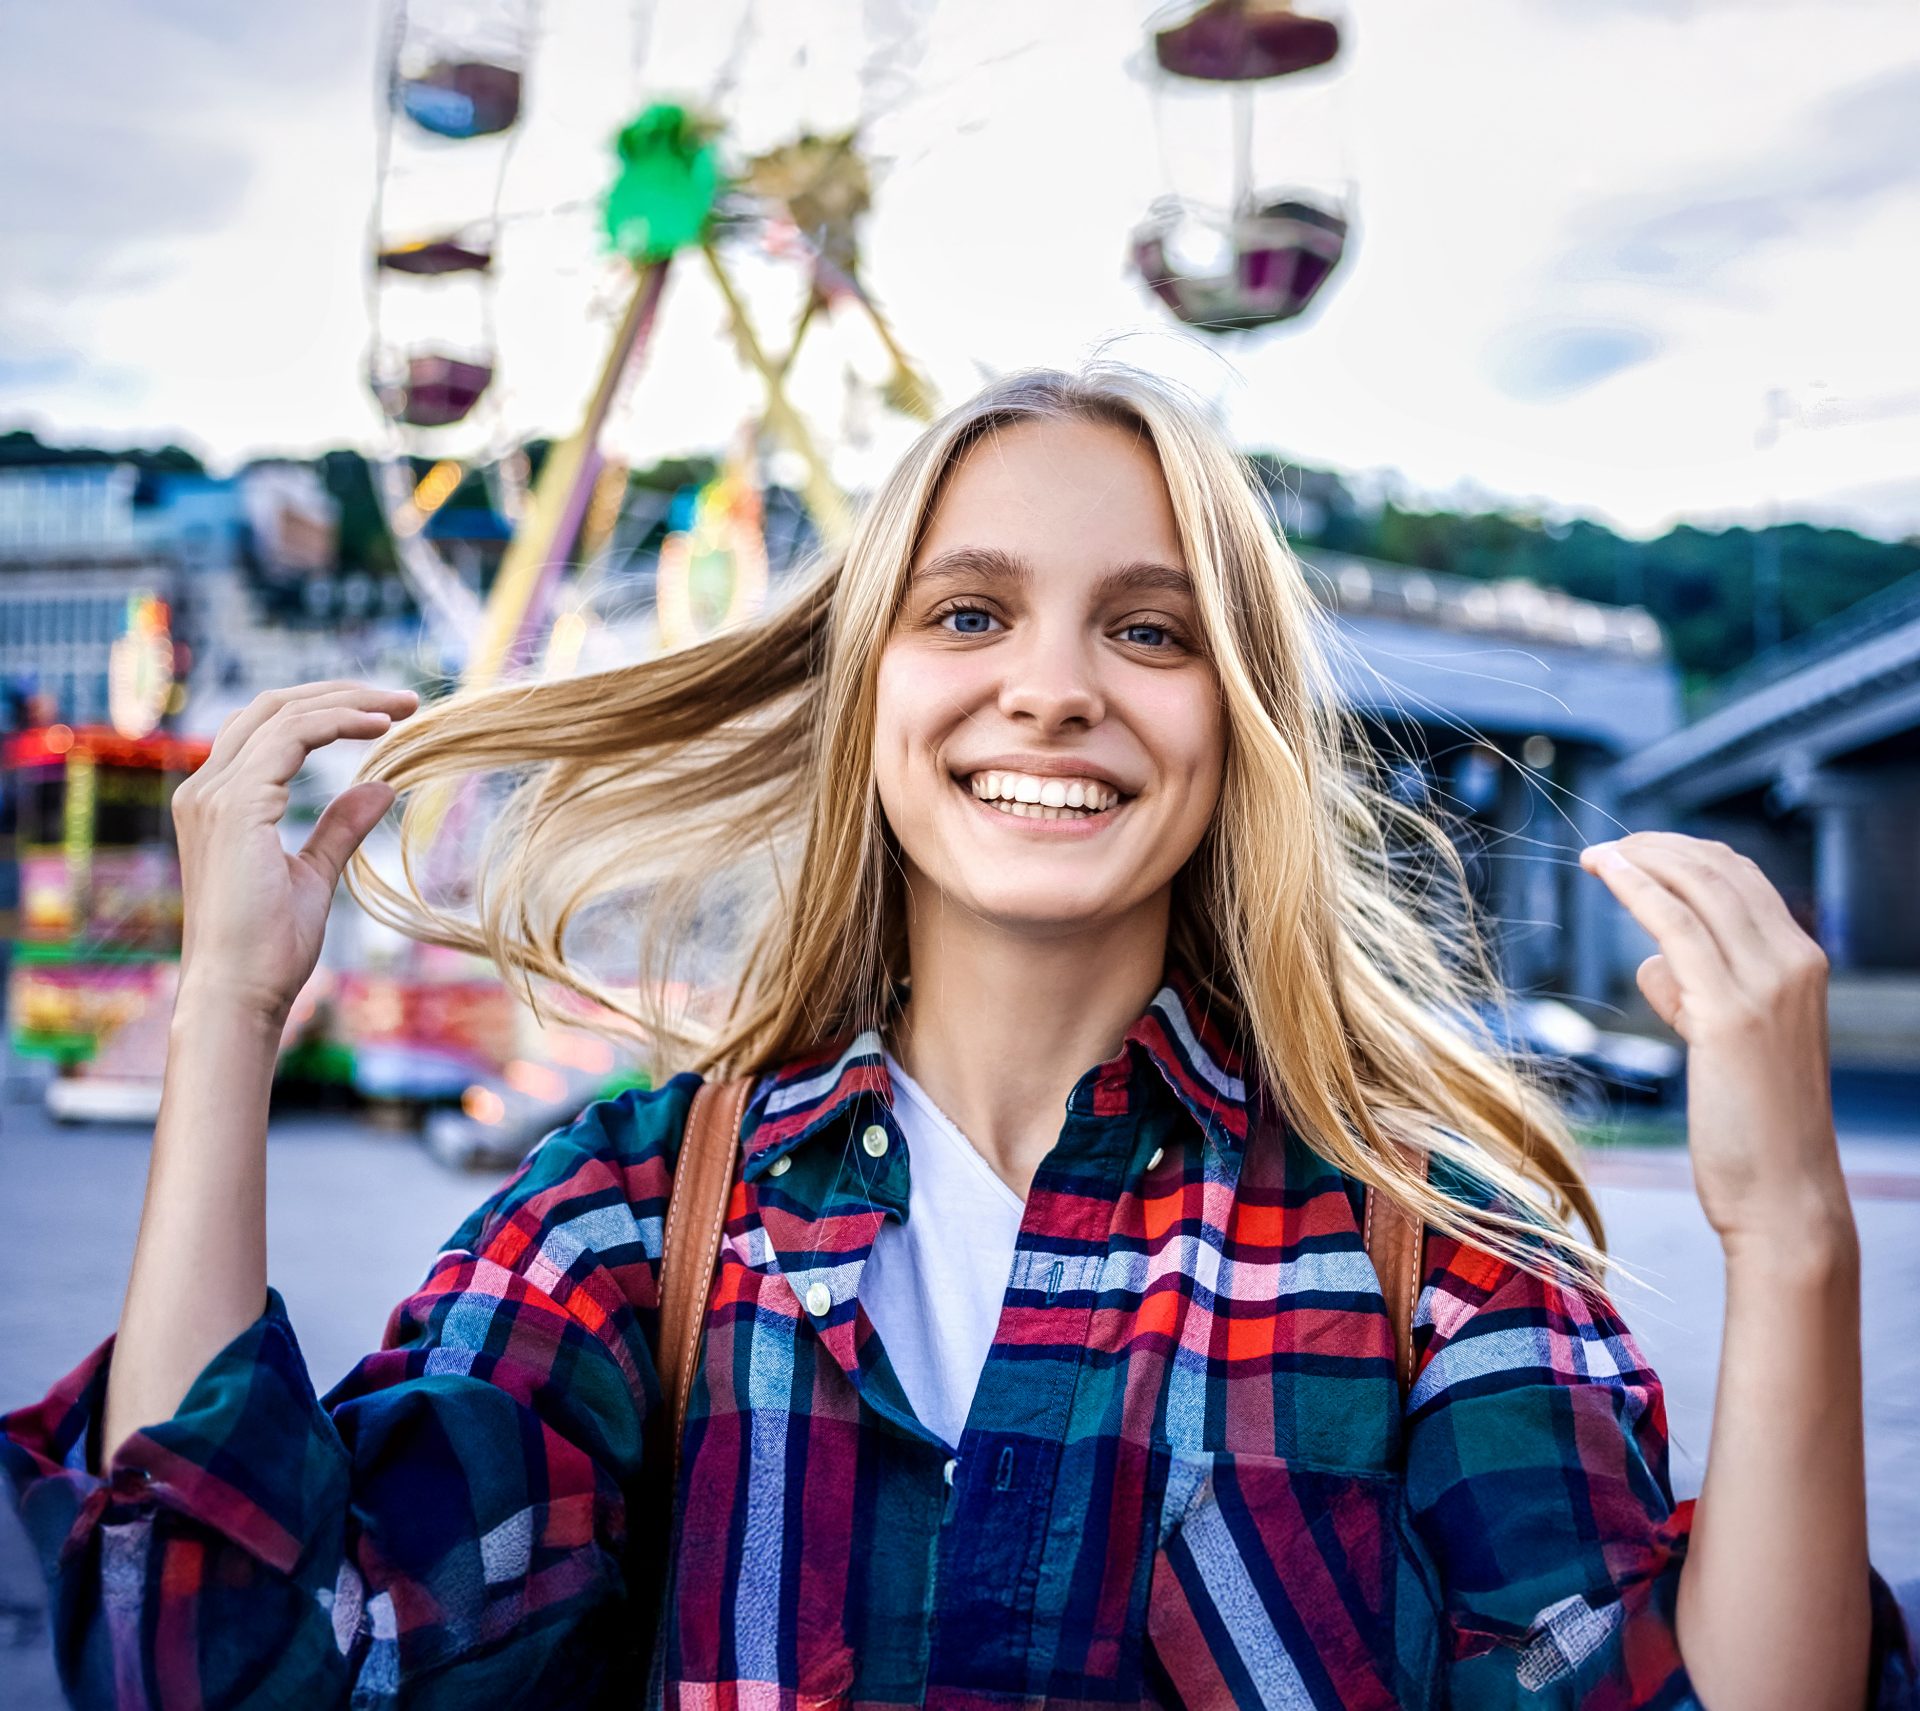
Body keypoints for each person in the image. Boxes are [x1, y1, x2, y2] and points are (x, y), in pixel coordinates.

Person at [3, 365, 1915, 1711]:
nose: (1057, 689)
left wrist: (1793, 1242)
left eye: (1154, 634)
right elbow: (229, 1648)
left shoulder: (1428, 1254)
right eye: (972, 609)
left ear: (1239, 719)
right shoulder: (630, 1228)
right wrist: (228, 1024)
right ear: (867, 696)